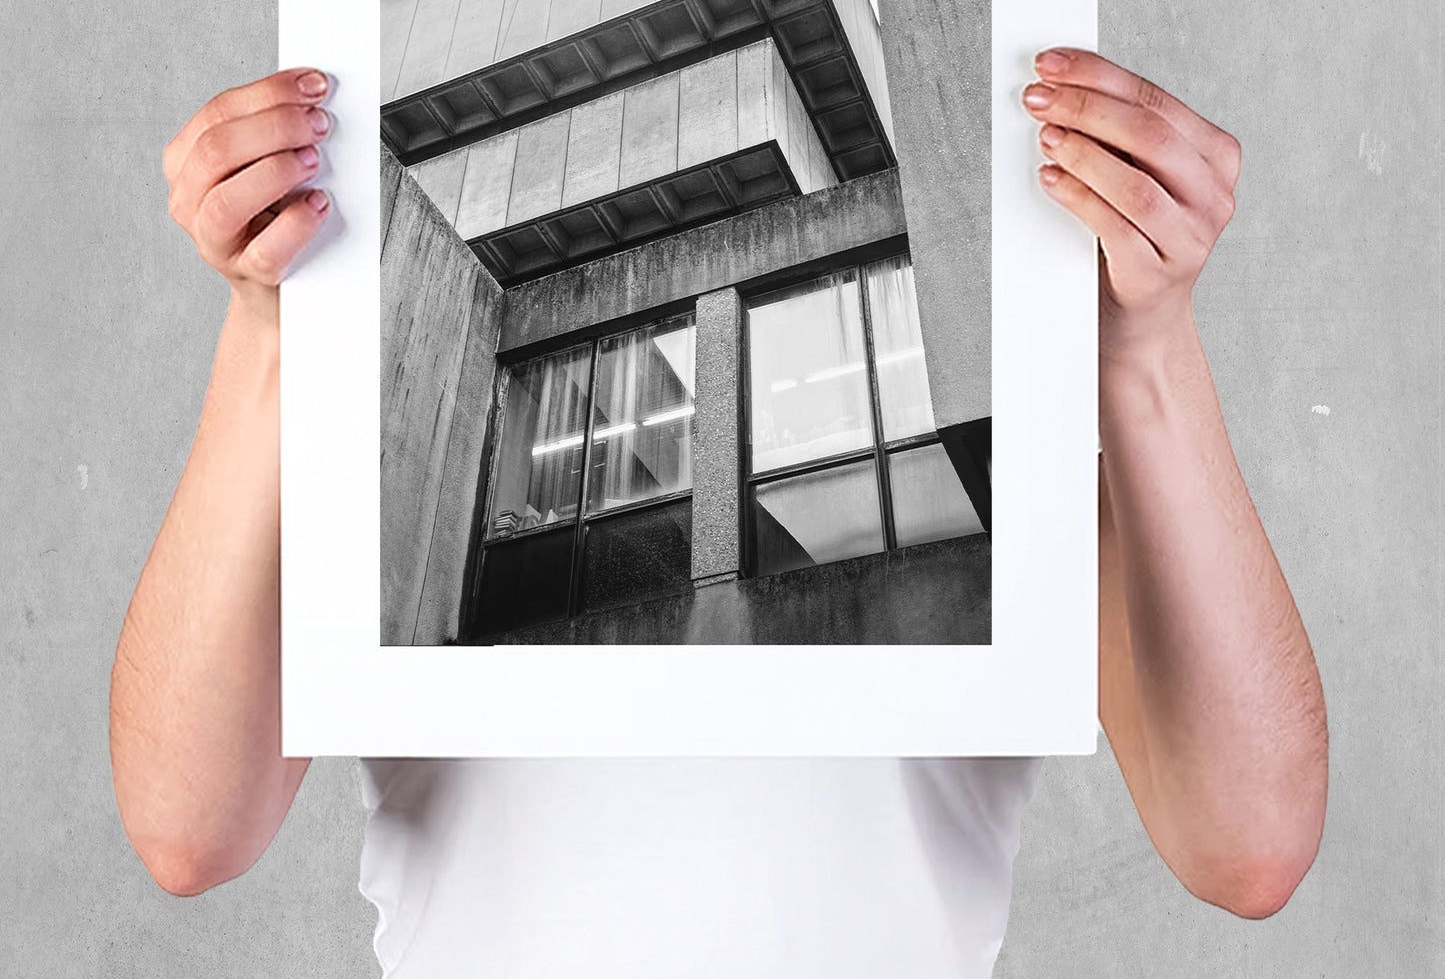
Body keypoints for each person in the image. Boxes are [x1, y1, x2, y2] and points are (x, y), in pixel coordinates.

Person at [109, 49, 1328, 977]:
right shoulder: (391, 411)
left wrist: (1147, 341)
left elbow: (1249, 840)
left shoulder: (1019, 424)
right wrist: (273, 328)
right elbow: (185, 828)